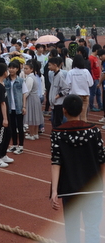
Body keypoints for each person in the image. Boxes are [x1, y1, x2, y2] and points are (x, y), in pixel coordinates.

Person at [50, 94, 105, 243]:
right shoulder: (94, 131)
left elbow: (56, 162)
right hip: (92, 188)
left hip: (70, 189)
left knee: (72, 228)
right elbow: (102, 159)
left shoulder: (57, 133)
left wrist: (54, 190)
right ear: (82, 110)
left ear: (64, 110)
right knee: (92, 227)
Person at [5, 61, 28, 155]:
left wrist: (24, 106)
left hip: (18, 107)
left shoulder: (21, 81)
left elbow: (24, 94)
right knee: (12, 127)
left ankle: (21, 146)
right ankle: (14, 144)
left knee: (20, 127)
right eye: (10, 68)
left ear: (17, 69)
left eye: (13, 68)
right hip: (10, 107)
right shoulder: (6, 80)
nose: (11, 70)